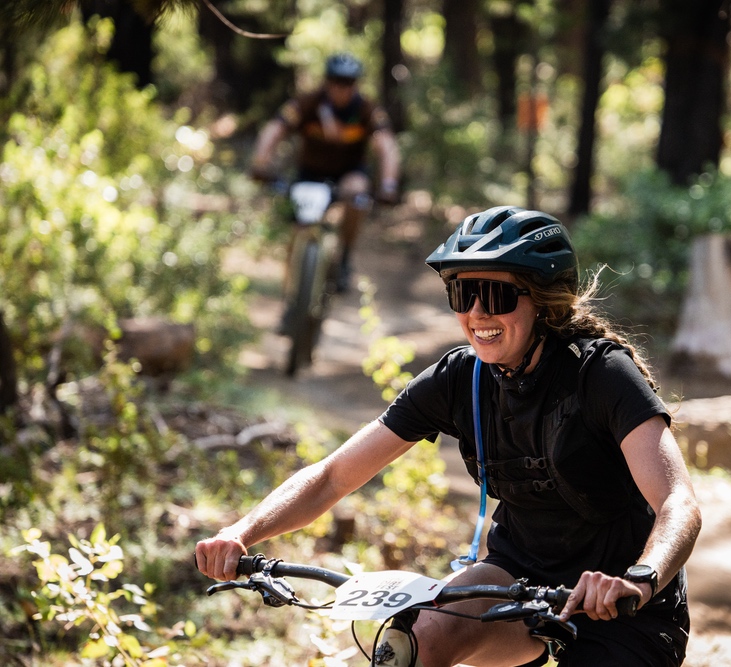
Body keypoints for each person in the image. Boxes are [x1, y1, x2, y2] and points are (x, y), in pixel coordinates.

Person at [195, 206, 702, 666]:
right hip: (516, 580)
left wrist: (641, 578)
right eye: (463, 293)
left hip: (621, 603)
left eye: (497, 295)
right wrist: (241, 533)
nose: (477, 313)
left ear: (544, 302)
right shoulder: (462, 377)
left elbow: (678, 502)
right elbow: (332, 478)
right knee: (413, 641)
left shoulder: (601, 374)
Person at [251, 51, 401, 292]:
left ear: (356, 84)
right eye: (336, 81)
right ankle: (292, 291)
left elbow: (387, 146)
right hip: (310, 172)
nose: (342, 88)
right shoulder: (308, 103)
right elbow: (275, 129)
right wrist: (260, 162)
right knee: (300, 228)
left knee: (357, 194)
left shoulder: (366, 109)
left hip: (350, 172)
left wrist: (388, 184)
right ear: (327, 81)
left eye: (348, 82)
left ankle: (344, 256)